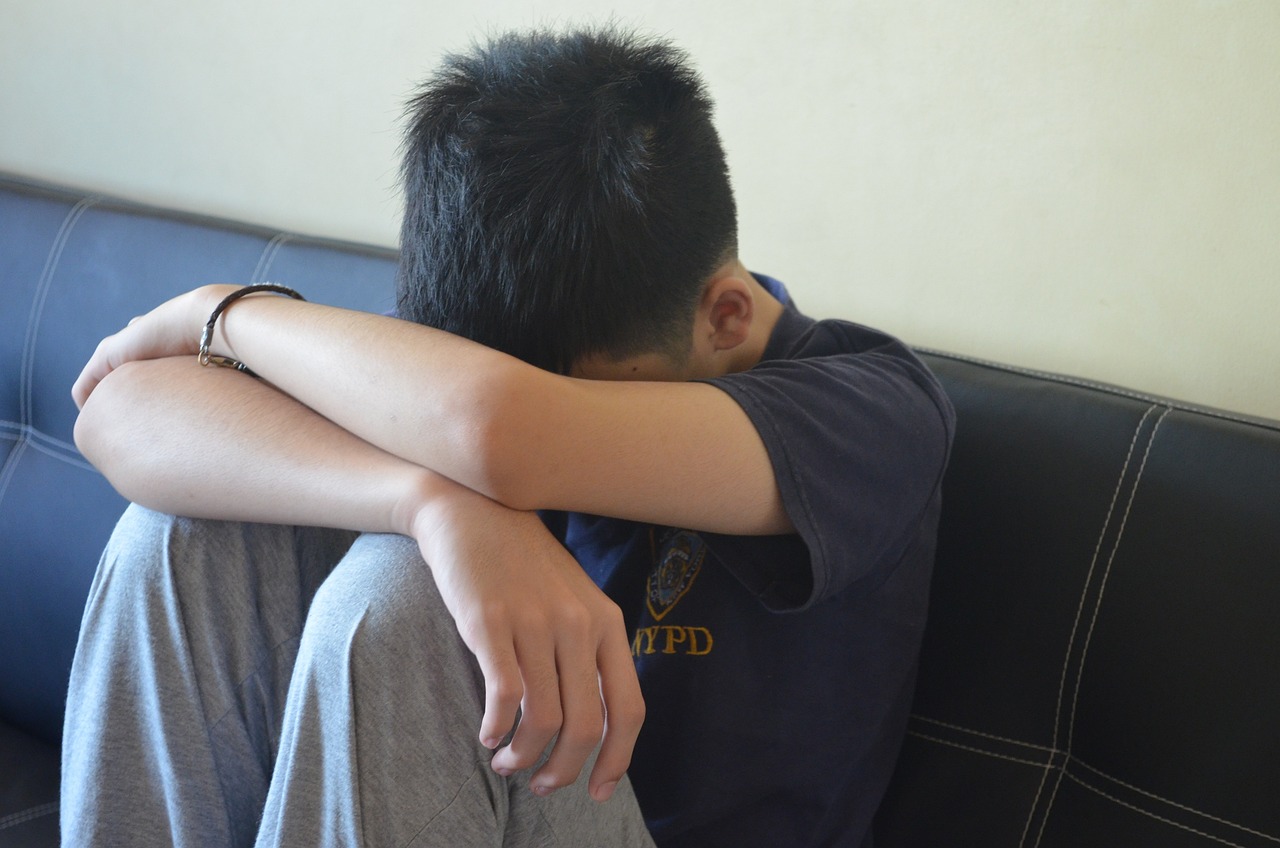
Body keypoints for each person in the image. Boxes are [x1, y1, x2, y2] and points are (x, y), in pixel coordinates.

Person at [64, 27, 954, 848]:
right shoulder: (502, 326)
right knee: (184, 536)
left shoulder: (870, 411)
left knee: (404, 598)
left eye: (570, 392)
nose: (475, 394)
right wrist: (430, 502)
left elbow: (495, 427)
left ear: (725, 315)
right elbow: (118, 413)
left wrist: (214, 311)